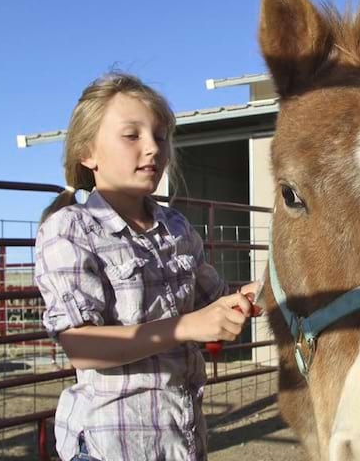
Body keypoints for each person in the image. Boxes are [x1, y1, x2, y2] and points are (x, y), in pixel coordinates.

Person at [34, 72, 258, 461]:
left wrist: (276, 285)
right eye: (132, 135)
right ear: (88, 152)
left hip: (181, 443)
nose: (153, 148)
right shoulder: (70, 230)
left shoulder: (177, 227)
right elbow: (82, 345)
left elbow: (220, 300)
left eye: (161, 135)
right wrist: (187, 326)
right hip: (110, 448)